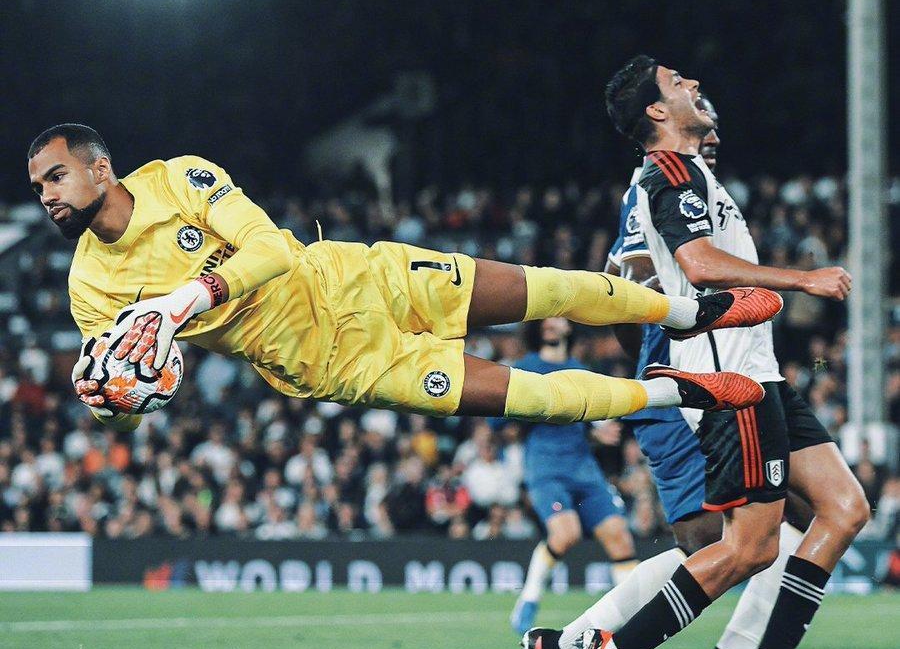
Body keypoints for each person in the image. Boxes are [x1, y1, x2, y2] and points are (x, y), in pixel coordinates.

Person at [27, 124, 779, 433]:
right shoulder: (91, 287)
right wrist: (110, 405)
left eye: (56, 176)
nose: (47, 196)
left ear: (101, 169)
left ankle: (689, 315)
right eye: (37, 188)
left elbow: (270, 249)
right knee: (533, 398)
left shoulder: (181, 178)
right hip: (334, 361)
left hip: (362, 277)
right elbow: (132, 396)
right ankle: (680, 391)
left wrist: (185, 298)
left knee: (547, 287)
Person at [566, 57, 868, 649]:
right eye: (678, 83)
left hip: (761, 371)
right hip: (728, 379)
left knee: (845, 507)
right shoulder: (669, 172)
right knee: (751, 548)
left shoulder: (693, 173)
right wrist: (803, 279)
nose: (695, 84)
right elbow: (699, 265)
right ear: (656, 111)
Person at [522, 94, 817, 649]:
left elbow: (623, 277)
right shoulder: (658, 189)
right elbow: (628, 284)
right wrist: (658, 369)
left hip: (704, 380)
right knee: (739, 541)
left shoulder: (679, 191)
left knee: (753, 534)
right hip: (690, 385)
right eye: (703, 124)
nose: (713, 136)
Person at [496, 318, 638, 637]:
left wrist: (598, 433)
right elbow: (499, 419)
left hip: (584, 467)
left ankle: (632, 618)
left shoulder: (581, 371)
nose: (551, 322)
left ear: (568, 327)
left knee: (619, 536)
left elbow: (588, 421)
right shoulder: (525, 368)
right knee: (566, 533)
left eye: (557, 316)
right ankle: (529, 598)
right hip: (546, 467)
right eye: (546, 317)